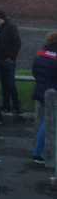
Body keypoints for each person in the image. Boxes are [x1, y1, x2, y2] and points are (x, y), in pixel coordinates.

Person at [31, 32, 57, 164]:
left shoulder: (40, 54)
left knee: (43, 121)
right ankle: (38, 153)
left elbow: (34, 72)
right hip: (53, 93)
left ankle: (38, 150)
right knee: (48, 123)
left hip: (41, 90)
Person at [0, 10, 21, 115]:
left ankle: (16, 106)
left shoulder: (11, 27)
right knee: (4, 84)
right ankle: (6, 106)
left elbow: (17, 43)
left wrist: (11, 57)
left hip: (8, 61)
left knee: (10, 84)